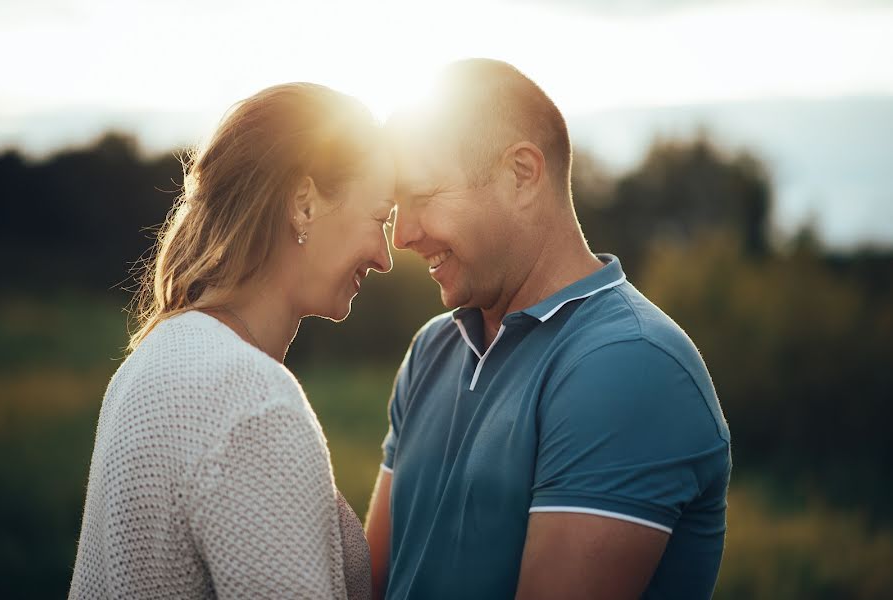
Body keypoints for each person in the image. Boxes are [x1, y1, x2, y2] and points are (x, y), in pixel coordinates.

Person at [365, 59, 732, 600]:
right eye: (396, 208)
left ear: (522, 175)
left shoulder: (631, 363)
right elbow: (374, 584)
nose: (404, 235)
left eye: (422, 196)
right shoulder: (432, 348)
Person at [70, 83, 395, 599]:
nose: (385, 256)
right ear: (304, 204)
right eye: (380, 218)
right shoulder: (251, 404)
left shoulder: (152, 358)